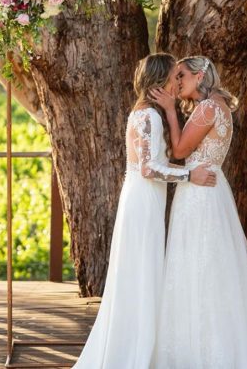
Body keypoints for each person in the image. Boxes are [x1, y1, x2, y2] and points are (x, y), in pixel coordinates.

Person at [73, 53, 216, 369]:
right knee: (141, 273)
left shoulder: (146, 113)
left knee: (143, 273)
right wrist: (188, 175)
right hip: (142, 199)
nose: (178, 82)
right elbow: (150, 169)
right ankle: (135, 353)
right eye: (174, 77)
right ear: (161, 81)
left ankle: (142, 346)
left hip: (144, 199)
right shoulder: (148, 116)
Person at [151, 56, 247, 368]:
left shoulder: (210, 107)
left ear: (199, 77)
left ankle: (204, 349)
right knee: (203, 265)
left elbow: (180, 151)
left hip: (201, 195)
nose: (177, 82)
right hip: (205, 190)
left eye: (182, 75)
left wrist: (171, 111)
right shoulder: (212, 106)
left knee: (200, 265)